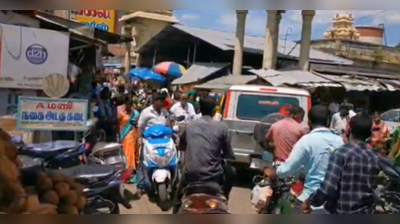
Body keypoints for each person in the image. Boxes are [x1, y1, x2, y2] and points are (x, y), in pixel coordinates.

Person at [264, 105, 344, 214]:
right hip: (333, 202)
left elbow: (287, 168)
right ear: (328, 121)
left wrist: (275, 172)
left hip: (309, 200)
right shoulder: (340, 141)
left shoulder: (306, 141)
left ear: (309, 122)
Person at [172, 96, 236, 214]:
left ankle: (175, 210)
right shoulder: (222, 128)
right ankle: (224, 198)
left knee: (178, 193)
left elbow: (181, 146)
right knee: (232, 171)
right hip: (214, 176)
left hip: (191, 175)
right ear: (214, 111)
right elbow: (229, 154)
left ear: (199, 109)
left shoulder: (190, 126)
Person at [305, 113, 379, 214]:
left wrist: (310, 201)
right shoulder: (373, 155)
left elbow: (328, 188)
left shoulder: (342, 153)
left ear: (349, 131)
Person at [117, 97, 140, 182]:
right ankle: (126, 171)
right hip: (123, 134)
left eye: (130, 104)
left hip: (132, 135)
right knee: (125, 152)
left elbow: (138, 124)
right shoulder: (121, 113)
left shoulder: (135, 113)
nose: (128, 106)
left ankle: (130, 171)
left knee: (131, 153)